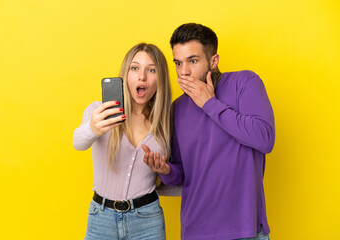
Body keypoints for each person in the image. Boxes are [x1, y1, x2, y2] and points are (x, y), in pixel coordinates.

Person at [142, 23, 275, 239]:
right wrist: (165, 171)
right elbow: (181, 174)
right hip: (195, 231)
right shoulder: (178, 108)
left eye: (192, 61)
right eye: (178, 63)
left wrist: (209, 103)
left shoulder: (245, 83)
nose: (184, 71)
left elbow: (265, 138)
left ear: (213, 61)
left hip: (245, 230)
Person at [73, 43, 172, 240]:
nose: (142, 76)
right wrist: (92, 128)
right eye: (135, 68)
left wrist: (165, 172)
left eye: (151, 70)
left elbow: (178, 181)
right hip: (101, 219)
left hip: (148, 220)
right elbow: (78, 143)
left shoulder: (165, 125)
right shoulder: (99, 111)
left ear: (160, 79)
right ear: (125, 74)